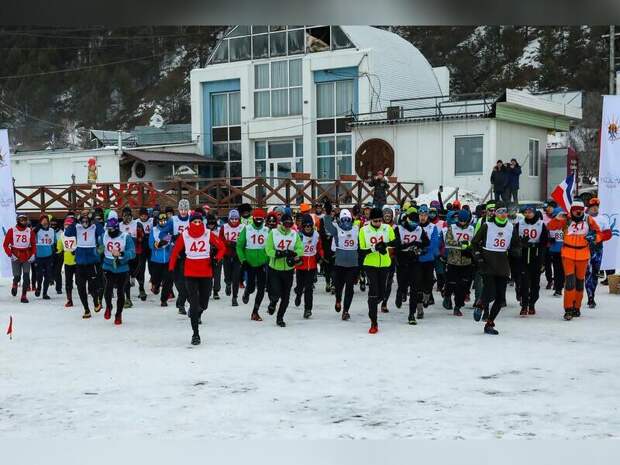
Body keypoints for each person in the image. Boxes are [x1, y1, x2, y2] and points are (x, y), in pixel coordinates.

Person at [169, 211, 225, 345]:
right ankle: (195, 334)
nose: (197, 224)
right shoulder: (185, 235)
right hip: (190, 273)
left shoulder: (207, 233)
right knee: (194, 304)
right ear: (190, 223)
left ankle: (199, 311)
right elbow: (175, 252)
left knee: (204, 303)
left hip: (206, 272)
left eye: (199, 222)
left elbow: (222, 248)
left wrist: (216, 259)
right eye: (195, 222)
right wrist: (171, 269)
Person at [471, 201, 521, 335]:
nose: (502, 214)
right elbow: (474, 243)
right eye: (499, 212)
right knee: (490, 290)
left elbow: (516, 245)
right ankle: (481, 304)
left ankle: (489, 323)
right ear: (495, 213)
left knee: (500, 298)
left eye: (504, 211)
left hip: (503, 264)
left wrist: (517, 251)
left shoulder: (511, 227)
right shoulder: (487, 226)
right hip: (487, 262)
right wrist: (479, 258)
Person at [558, 200, 610, 320]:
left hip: (583, 254)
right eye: (575, 209)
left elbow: (603, 234)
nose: (578, 211)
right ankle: (568, 309)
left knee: (580, 282)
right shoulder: (566, 219)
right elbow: (551, 227)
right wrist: (557, 219)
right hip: (568, 253)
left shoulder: (588, 219)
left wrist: (595, 237)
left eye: (580, 209)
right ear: (571, 210)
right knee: (570, 282)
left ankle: (577, 307)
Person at [359, 207, 396, 334]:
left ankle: (373, 302)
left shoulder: (387, 228)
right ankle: (374, 322)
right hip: (370, 264)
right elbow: (361, 250)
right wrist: (374, 248)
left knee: (382, 292)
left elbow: (395, 242)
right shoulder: (364, 230)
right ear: (370, 220)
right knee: (374, 290)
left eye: (380, 220)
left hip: (385, 264)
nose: (378, 223)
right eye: (375, 221)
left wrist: (385, 245)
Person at [264, 213, 303, 327]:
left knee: (286, 297)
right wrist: (278, 253)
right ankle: (273, 302)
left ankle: (280, 317)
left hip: (289, 269)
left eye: (290, 224)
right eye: (286, 223)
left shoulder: (294, 234)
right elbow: (268, 249)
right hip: (275, 268)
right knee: (275, 291)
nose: (287, 226)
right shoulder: (273, 233)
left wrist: (295, 253)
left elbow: (300, 248)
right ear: (281, 223)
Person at [64, 212, 104, 319]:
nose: (85, 223)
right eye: (83, 221)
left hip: (92, 262)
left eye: (87, 221)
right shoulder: (76, 227)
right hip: (80, 263)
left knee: (93, 287)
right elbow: (67, 234)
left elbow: (102, 232)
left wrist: (94, 220)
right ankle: (86, 309)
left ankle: (96, 302)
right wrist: (74, 222)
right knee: (80, 287)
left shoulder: (95, 227)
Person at [394, 206, 429, 324]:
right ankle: (400, 292)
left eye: (416, 221)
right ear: (407, 219)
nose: (414, 223)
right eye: (411, 220)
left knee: (415, 289)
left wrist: (419, 247)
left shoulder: (419, 229)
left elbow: (426, 242)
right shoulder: (399, 229)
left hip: (415, 261)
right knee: (403, 284)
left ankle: (411, 314)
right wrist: (412, 244)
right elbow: (397, 246)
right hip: (402, 261)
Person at [324, 208, 359, 321]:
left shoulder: (356, 229)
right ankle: (338, 300)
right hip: (339, 265)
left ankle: (346, 311)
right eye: (343, 219)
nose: (346, 222)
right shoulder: (337, 230)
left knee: (350, 288)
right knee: (339, 287)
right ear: (340, 220)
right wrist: (328, 213)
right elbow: (327, 225)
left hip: (352, 265)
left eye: (348, 219)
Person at [101, 216, 136, 325]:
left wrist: (121, 254)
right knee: (108, 287)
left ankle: (118, 314)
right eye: (108, 229)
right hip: (108, 266)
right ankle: (108, 306)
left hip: (122, 267)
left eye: (111, 229)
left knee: (120, 291)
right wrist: (98, 250)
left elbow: (132, 253)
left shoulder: (125, 237)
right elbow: (101, 247)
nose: (109, 231)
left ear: (116, 228)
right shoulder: (105, 235)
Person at [236, 208, 269, 321]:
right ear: (253, 218)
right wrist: (243, 260)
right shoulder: (247, 229)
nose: (259, 221)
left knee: (261, 288)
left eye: (261, 219)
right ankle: (247, 292)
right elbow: (239, 246)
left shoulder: (266, 230)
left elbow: (270, 247)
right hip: (249, 263)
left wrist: (268, 259)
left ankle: (255, 312)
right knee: (251, 288)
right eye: (257, 219)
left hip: (262, 264)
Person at [516, 205, 548, 316]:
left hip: (536, 255)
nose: (528, 214)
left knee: (535, 283)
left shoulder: (541, 224)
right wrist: (520, 243)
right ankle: (524, 305)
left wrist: (543, 261)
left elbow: (544, 243)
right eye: (526, 212)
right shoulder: (520, 224)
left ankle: (532, 303)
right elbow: (514, 240)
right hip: (523, 255)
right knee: (524, 282)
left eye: (530, 212)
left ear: (534, 213)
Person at [443, 209, 475, 317]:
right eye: (461, 220)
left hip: (466, 261)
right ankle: (447, 296)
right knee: (451, 283)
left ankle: (458, 306)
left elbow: (474, 242)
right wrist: (460, 244)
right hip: (453, 260)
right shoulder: (452, 228)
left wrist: (469, 246)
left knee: (462, 286)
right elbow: (447, 241)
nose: (462, 223)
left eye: (464, 221)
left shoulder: (471, 229)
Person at [293, 213, 324, 319]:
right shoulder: (298, 235)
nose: (308, 228)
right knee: (300, 286)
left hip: (312, 266)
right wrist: (296, 257)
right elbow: (294, 248)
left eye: (309, 226)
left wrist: (320, 256)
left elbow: (319, 247)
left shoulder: (316, 235)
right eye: (305, 226)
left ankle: (308, 309)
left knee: (309, 288)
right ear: (302, 226)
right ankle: (298, 295)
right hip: (301, 266)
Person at [3, 213, 36, 303]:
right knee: (17, 276)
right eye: (22, 220)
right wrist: (10, 254)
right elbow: (5, 245)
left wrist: (33, 254)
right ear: (18, 221)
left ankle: (24, 296)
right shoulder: (12, 231)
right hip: (16, 255)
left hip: (26, 255)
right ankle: (15, 283)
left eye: (25, 220)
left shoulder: (30, 231)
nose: (24, 222)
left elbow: (33, 244)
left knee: (26, 276)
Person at [585, 198, 611, 308]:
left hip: (597, 249)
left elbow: (608, 234)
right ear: (589, 208)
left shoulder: (603, 219)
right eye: (592, 207)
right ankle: (588, 295)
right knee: (587, 273)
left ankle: (592, 295)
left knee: (594, 273)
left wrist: (599, 237)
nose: (595, 209)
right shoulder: (584, 218)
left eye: (597, 207)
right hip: (585, 249)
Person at [149, 213, 174, 307]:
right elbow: (151, 244)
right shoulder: (154, 230)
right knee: (156, 279)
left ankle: (164, 299)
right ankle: (155, 286)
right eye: (161, 221)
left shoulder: (170, 230)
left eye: (164, 221)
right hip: (156, 260)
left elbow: (172, 242)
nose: (163, 222)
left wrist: (169, 244)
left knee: (168, 280)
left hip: (168, 260)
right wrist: (158, 245)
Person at [220, 209, 244, 306]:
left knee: (236, 276)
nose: (234, 221)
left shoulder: (242, 227)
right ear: (229, 219)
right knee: (227, 273)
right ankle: (227, 283)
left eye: (236, 219)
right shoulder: (224, 227)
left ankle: (235, 297)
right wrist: (228, 242)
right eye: (232, 219)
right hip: (227, 253)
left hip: (237, 254)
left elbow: (245, 239)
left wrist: (238, 244)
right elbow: (220, 238)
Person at [170, 199, 190, 314]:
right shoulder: (173, 220)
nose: (183, 212)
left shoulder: (192, 219)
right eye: (181, 209)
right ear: (178, 209)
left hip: (189, 253)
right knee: (179, 280)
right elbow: (163, 233)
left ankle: (183, 302)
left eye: (185, 209)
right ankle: (181, 303)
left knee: (189, 280)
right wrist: (172, 237)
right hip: (176, 254)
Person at [33, 214, 56, 300]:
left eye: (46, 221)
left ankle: (45, 293)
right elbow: (32, 234)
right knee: (39, 275)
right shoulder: (37, 230)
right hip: (39, 256)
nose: (45, 222)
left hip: (49, 256)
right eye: (43, 221)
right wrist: (40, 225)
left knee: (48, 275)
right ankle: (39, 287)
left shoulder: (51, 230)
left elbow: (54, 243)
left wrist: (54, 253)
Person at [56, 217, 77, 307]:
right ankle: (69, 299)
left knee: (80, 281)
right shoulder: (62, 235)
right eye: (65, 225)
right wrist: (56, 250)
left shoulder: (77, 234)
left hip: (78, 261)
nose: (67, 227)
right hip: (68, 262)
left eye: (69, 225)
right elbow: (59, 247)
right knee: (68, 282)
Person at [546, 208, 566, 297]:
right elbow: (546, 236)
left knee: (563, 270)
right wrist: (549, 240)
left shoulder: (568, 222)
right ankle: (558, 288)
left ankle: (561, 285)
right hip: (556, 251)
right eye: (560, 214)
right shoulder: (551, 223)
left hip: (567, 250)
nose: (562, 216)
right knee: (558, 270)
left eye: (563, 215)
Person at [205, 214, 223, 300]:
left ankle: (216, 291)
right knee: (208, 274)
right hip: (207, 254)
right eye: (209, 224)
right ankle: (208, 290)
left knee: (217, 274)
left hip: (217, 253)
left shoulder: (218, 230)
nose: (211, 225)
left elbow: (221, 243)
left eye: (213, 224)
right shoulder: (204, 231)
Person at [541, 200, 558, 289]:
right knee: (547, 264)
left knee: (556, 264)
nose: (549, 209)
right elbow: (542, 230)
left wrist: (557, 238)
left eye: (551, 208)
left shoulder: (559, 216)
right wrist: (547, 238)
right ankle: (549, 280)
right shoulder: (543, 217)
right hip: (547, 244)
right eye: (547, 208)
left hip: (557, 245)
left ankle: (556, 281)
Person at [50, 217, 64, 295]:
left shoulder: (61, 232)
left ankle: (58, 288)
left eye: (55, 223)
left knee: (58, 271)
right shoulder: (49, 231)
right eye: (52, 223)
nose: (53, 225)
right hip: (50, 253)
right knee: (51, 269)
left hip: (59, 254)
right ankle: (51, 279)